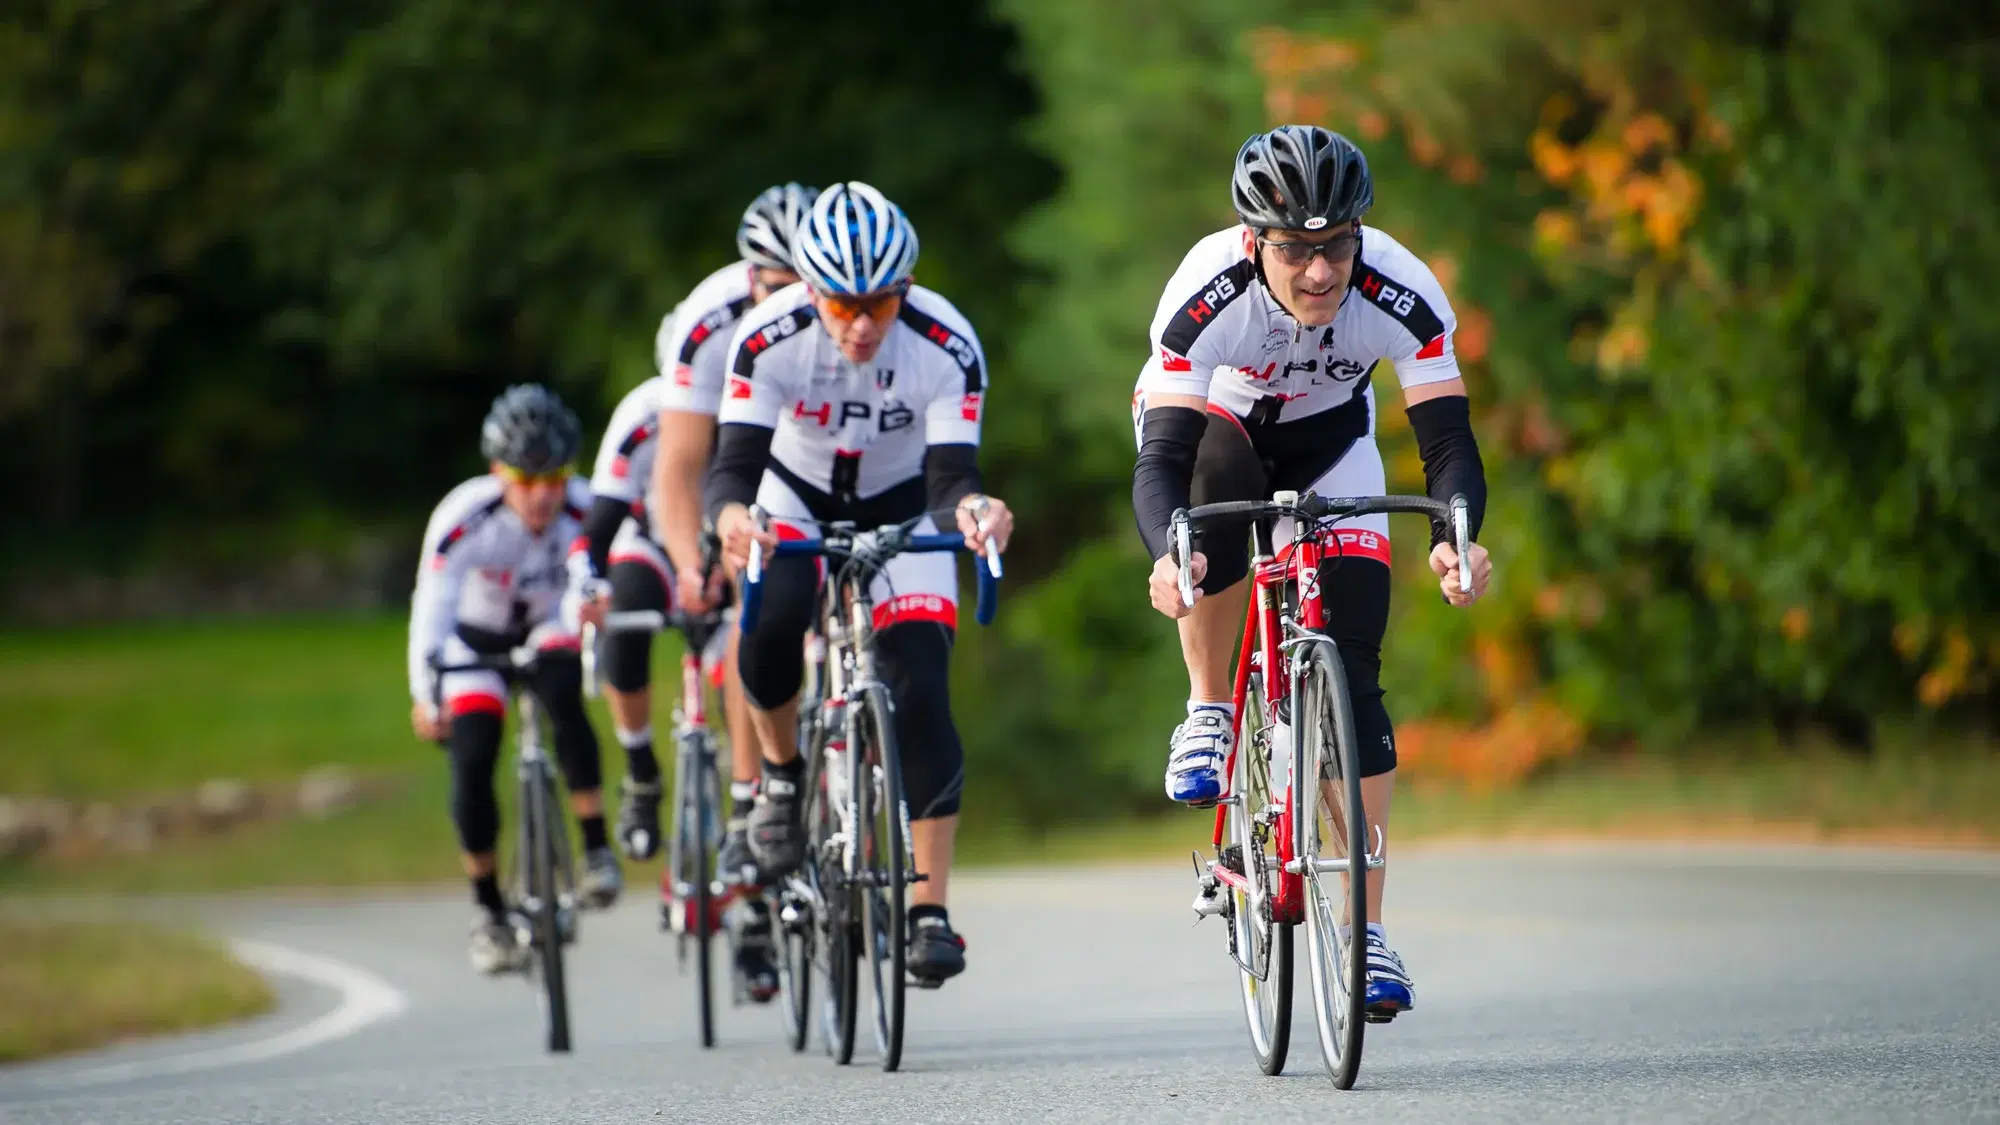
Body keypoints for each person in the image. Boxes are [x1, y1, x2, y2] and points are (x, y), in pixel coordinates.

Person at [1130, 126, 1493, 1021]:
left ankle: (1365, 928)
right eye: (1295, 249)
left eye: (1336, 245)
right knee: (1211, 505)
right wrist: (1169, 556)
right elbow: (1163, 460)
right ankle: (1210, 708)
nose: (1321, 271)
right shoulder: (1206, 290)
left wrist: (1456, 535)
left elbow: (1446, 443)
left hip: (1334, 447)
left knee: (1356, 673)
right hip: (1219, 431)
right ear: (1254, 241)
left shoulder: (1401, 289)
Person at [703, 181, 1013, 986]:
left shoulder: (946, 342)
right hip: (792, 496)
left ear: (906, 288)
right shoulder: (766, 339)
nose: (863, 324)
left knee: (922, 685)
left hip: (903, 503)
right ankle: (780, 777)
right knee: (772, 617)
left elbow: (952, 477)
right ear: (811, 291)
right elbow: (732, 468)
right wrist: (732, 519)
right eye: (843, 305)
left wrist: (975, 511)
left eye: (881, 302)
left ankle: (929, 910)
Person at [592, 183, 818, 1000]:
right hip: (701, 497)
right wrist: (693, 562)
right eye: (774, 283)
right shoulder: (706, 325)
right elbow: (675, 471)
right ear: (749, 274)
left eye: (804, 285)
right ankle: (682, 782)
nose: (789, 299)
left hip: (784, 475)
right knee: (685, 618)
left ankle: (765, 800)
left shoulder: (828, 323)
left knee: (759, 633)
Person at [408, 384, 624, 975]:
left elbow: (602, 581)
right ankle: (488, 910)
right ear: (497, 473)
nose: (542, 495)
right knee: (473, 754)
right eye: (526, 480)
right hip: (474, 643)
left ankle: (596, 846)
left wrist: (593, 615)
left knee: (562, 692)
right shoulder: (463, 517)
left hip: (550, 627)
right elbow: (433, 606)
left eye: (555, 478)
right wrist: (426, 694)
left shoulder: (586, 511)